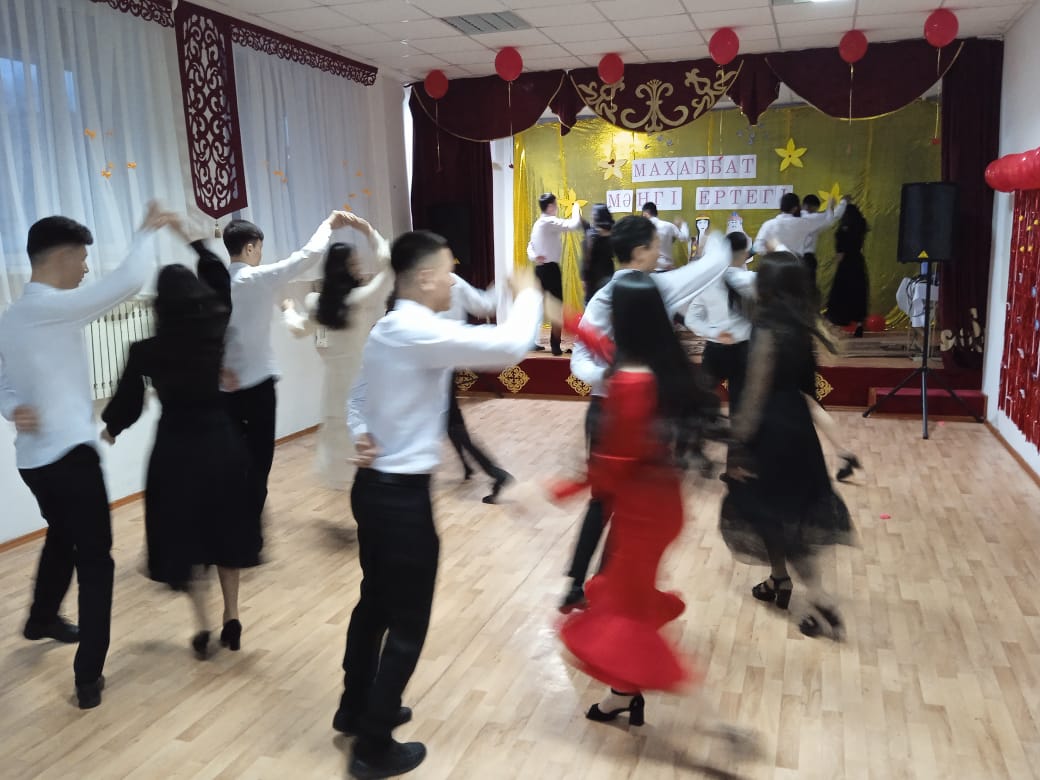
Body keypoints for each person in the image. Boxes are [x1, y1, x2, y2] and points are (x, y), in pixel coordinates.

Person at [335, 231, 543, 779]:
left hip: (374, 491)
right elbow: (509, 348)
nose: (454, 281)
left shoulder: (391, 328)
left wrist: (361, 432)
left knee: (374, 605)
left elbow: (357, 399)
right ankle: (373, 746)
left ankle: (357, 708)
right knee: (408, 623)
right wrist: (529, 293)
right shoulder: (414, 330)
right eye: (449, 270)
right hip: (400, 501)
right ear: (426, 277)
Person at [0, 203, 168, 708]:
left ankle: (41, 618)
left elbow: (2, 379)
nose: (87, 267)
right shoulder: (50, 308)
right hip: (71, 460)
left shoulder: (13, 317)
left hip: (34, 464)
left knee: (62, 534)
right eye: (82, 257)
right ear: (61, 257)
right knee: (96, 561)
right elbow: (126, 283)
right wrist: (145, 232)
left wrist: (12, 408)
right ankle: (88, 676)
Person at [100, 214, 257, 659]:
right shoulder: (214, 329)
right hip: (221, 441)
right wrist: (187, 236)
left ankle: (202, 625)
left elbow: (128, 399)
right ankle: (232, 615)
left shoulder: (147, 350)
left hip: (175, 450)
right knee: (225, 528)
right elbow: (217, 275)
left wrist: (111, 429)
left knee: (188, 536)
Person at [560, 216, 731, 612]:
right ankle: (587, 586)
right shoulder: (635, 293)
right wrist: (616, 378)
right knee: (613, 501)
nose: (660, 253)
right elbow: (580, 360)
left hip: (625, 408)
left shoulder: (630, 291)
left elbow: (580, 359)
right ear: (639, 252)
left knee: (612, 500)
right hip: (620, 410)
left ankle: (590, 585)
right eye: (656, 245)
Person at [559, 272, 708, 724]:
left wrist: (554, 490)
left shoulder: (629, 383)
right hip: (659, 504)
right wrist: (560, 315)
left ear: (622, 320)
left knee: (620, 611)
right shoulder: (656, 363)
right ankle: (623, 695)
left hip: (641, 514)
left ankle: (711, 718)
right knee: (622, 600)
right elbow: (600, 344)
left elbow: (610, 466)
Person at [221, 210, 351, 638]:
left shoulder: (215, 280)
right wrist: (327, 224)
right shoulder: (255, 278)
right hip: (257, 388)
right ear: (251, 247)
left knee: (233, 468)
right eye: (259, 247)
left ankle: (235, 538)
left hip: (225, 389)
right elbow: (306, 256)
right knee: (258, 465)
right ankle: (249, 541)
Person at [719, 250, 856, 640]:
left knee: (771, 514)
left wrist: (738, 445)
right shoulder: (802, 329)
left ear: (765, 287)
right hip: (799, 433)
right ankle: (779, 579)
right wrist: (843, 450)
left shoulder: (765, 330)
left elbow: (754, 396)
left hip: (769, 436)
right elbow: (811, 399)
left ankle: (820, 600)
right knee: (782, 514)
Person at [280, 214, 392, 491]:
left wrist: (288, 310)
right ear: (344, 269)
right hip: (363, 380)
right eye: (354, 263)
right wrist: (367, 229)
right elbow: (390, 267)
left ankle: (356, 487)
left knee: (343, 445)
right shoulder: (359, 299)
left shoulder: (317, 303)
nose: (358, 267)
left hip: (335, 386)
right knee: (367, 441)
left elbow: (298, 329)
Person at [441, 273, 513, 503]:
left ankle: (497, 474)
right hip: (444, 362)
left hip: (435, 364)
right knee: (451, 421)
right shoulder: (453, 279)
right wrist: (500, 287)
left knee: (451, 422)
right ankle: (472, 467)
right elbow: (483, 306)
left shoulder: (429, 282)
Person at [684, 232, 756, 415]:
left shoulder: (707, 282)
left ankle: (703, 425)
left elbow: (691, 319)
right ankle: (737, 430)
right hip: (745, 348)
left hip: (716, 347)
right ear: (744, 253)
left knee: (705, 394)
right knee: (740, 399)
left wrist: (714, 333)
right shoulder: (752, 280)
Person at [753, 194, 846, 298]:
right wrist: (830, 206)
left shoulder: (768, 224)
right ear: (795, 208)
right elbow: (829, 221)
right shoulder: (803, 223)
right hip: (795, 267)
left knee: (774, 297)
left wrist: (772, 252)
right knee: (795, 298)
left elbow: (757, 247)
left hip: (773, 267)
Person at [527, 192, 581, 355]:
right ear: (550, 206)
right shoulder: (548, 221)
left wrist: (535, 257)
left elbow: (530, 246)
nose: (556, 208)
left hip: (539, 269)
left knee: (536, 307)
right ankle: (555, 346)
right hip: (550, 270)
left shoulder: (538, 224)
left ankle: (530, 342)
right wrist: (576, 207)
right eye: (555, 205)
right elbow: (573, 225)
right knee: (556, 309)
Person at [825, 203, 870, 338]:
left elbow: (840, 254)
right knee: (858, 294)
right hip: (858, 262)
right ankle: (859, 325)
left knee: (841, 295)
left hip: (845, 266)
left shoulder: (841, 232)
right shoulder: (860, 227)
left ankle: (837, 325)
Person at [580, 204, 615, 303]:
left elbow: (587, 259)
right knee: (606, 302)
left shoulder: (592, 235)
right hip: (608, 273)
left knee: (592, 303)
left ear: (598, 216)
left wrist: (584, 278)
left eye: (593, 214)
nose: (591, 216)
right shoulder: (613, 232)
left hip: (594, 277)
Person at [641, 202, 690, 271]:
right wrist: (683, 224)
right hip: (668, 267)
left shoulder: (643, 229)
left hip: (651, 269)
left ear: (645, 214)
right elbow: (685, 238)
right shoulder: (669, 226)